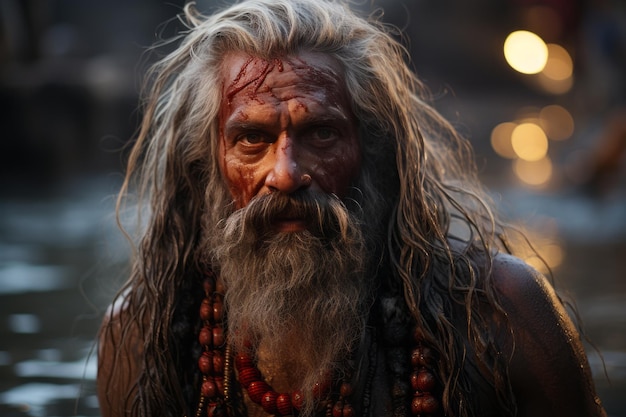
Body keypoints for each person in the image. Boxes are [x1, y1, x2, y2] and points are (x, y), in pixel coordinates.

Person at [96, 1, 607, 416]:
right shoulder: (142, 339)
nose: (287, 173)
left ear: (373, 150)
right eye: (252, 138)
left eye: (320, 132)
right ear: (209, 161)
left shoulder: (502, 315)